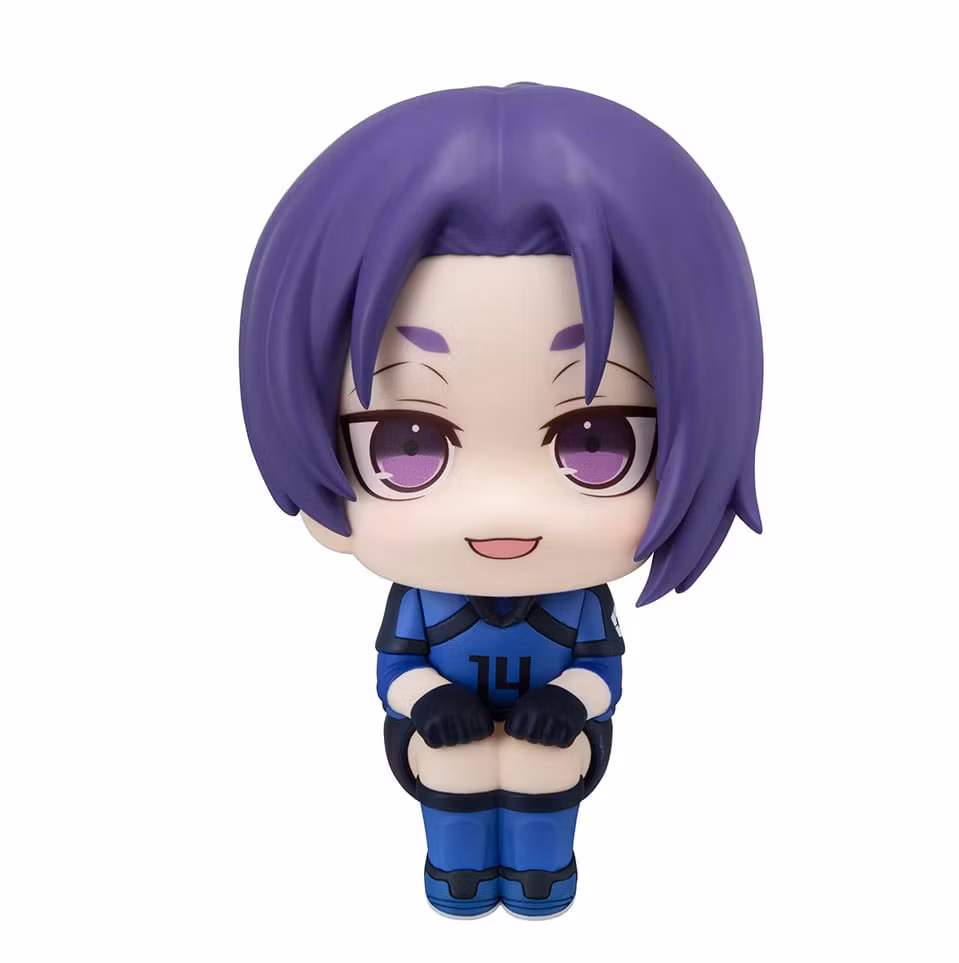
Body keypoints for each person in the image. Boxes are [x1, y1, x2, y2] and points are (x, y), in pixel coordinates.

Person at [239, 83, 763, 918]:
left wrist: (566, 704)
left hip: (559, 739)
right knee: (454, 766)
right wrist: (429, 702)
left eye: (597, 439)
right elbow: (395, 673)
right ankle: (457, 877)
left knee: (538, 766)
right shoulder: (423, 601)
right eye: (406, 444)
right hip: (434, 737)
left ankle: (540, 878)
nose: (502, 508)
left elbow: (601, 675)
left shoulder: (577, 605)